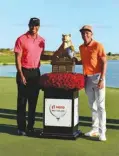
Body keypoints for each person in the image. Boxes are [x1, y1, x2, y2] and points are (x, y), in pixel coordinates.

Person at [14, 17, 50, 136]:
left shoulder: (42, 40)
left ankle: (30, 127)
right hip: (24, 71)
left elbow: (42, 56)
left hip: (35, 73)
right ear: (28, 25)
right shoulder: (21, 39)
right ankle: (21, 128)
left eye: (36, 26)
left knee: (33, 102)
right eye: (32, 25)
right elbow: (18, 58)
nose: (33, 28)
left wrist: (55, 56)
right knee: (22, 102)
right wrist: (21, 74)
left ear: (39, 26)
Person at [76, 25, 107, 141]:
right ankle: (94, 129)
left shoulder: (98, 45)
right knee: (92, 105)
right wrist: (75, 60)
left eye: (87, 33)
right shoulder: (81, 47)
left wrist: (102, 79)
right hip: (87, 78)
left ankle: (102, 131)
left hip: (98, 76)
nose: (85, 35)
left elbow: (104, 62)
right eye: (83, 33)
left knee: (101, 106)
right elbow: (84, 61)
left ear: (91, 34)